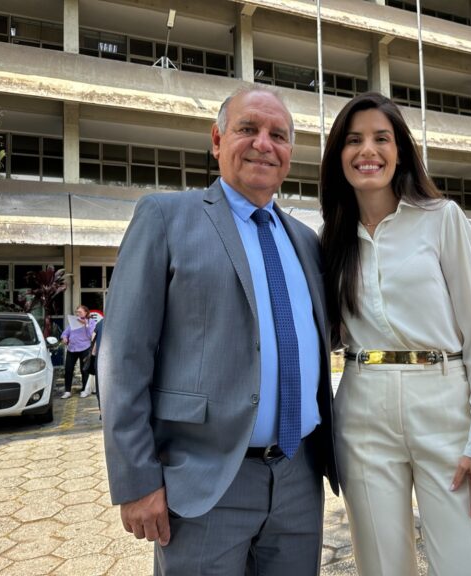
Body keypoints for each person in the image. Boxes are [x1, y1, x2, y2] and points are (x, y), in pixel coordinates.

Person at [100, 85, 338, 576]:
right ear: (216, 140)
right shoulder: (165, 217)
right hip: (204, 482)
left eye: (278, 135)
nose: (263, 144)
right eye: (248, 129)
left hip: (299, 477)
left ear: (290, 153)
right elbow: (123, 357)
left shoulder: (305, 240)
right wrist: (137, 480)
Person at [320, 92, 471, 576]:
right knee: (381, 567)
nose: (368, 150)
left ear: (399, 150)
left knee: (464, 566)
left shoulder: (442, 218)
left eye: (381, 138)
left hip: (444, 403)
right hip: (362, 408)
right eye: (354, 140)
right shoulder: (332, 236)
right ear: (339, 155)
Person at [60, 304, 95, 399]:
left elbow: (91, 336)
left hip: (84, 348)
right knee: (68, 369)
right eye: (77, 312)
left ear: (86, 312)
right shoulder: (74, 321)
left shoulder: (91, 322)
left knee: (84, 370)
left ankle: (85, 390)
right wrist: (64, 337)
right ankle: (67, 391)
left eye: (80, 312)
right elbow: (65, 332)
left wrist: (85, 324)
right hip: (72, 348)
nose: (78, 313)